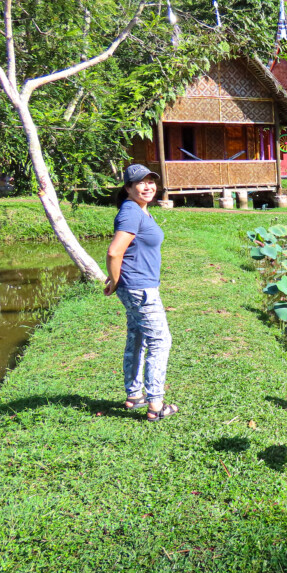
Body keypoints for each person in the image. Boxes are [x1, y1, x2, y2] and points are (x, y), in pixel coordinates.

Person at [104, 164, 178, 421]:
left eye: (151, 181)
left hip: (136, 285)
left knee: (137, 338)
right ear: (128, 188)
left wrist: (117, 280)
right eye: (141, 183)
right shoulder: (131, 212)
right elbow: (114, 251)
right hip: (139, 288)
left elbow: (130, 251)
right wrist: (114, 281)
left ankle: (134, 396)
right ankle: (155, 404)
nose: (148, 187)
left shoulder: (139, 210)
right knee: (160, 341)